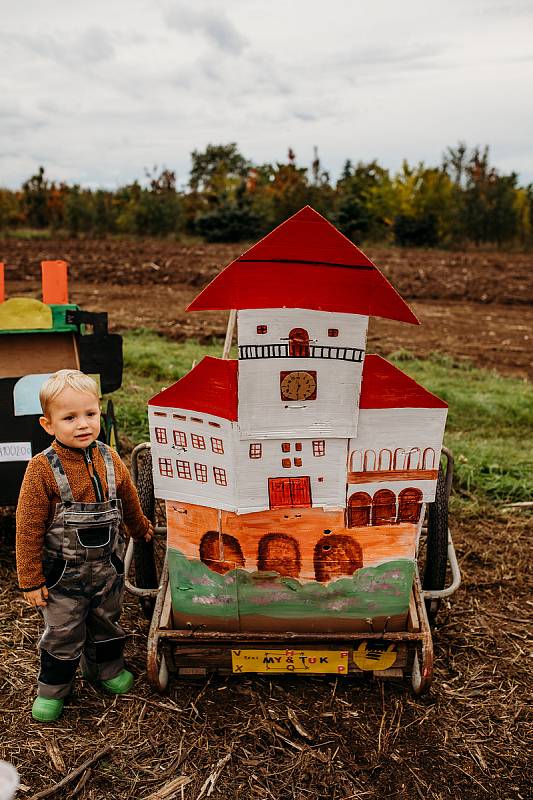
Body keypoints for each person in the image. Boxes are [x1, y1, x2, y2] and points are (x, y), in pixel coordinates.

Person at [16, 369, 154, 722]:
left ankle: (105, 670)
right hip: (63, 575)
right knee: (63, 632)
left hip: (106, 568)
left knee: (107, 621)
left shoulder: (109, 458)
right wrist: (31, 580)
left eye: (90, 414)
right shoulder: (42, 469)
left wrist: (138, 528)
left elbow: (128, 498)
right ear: (48, 424)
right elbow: (28, 527)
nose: (83, 424)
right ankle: (53, 690)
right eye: (69, 417)